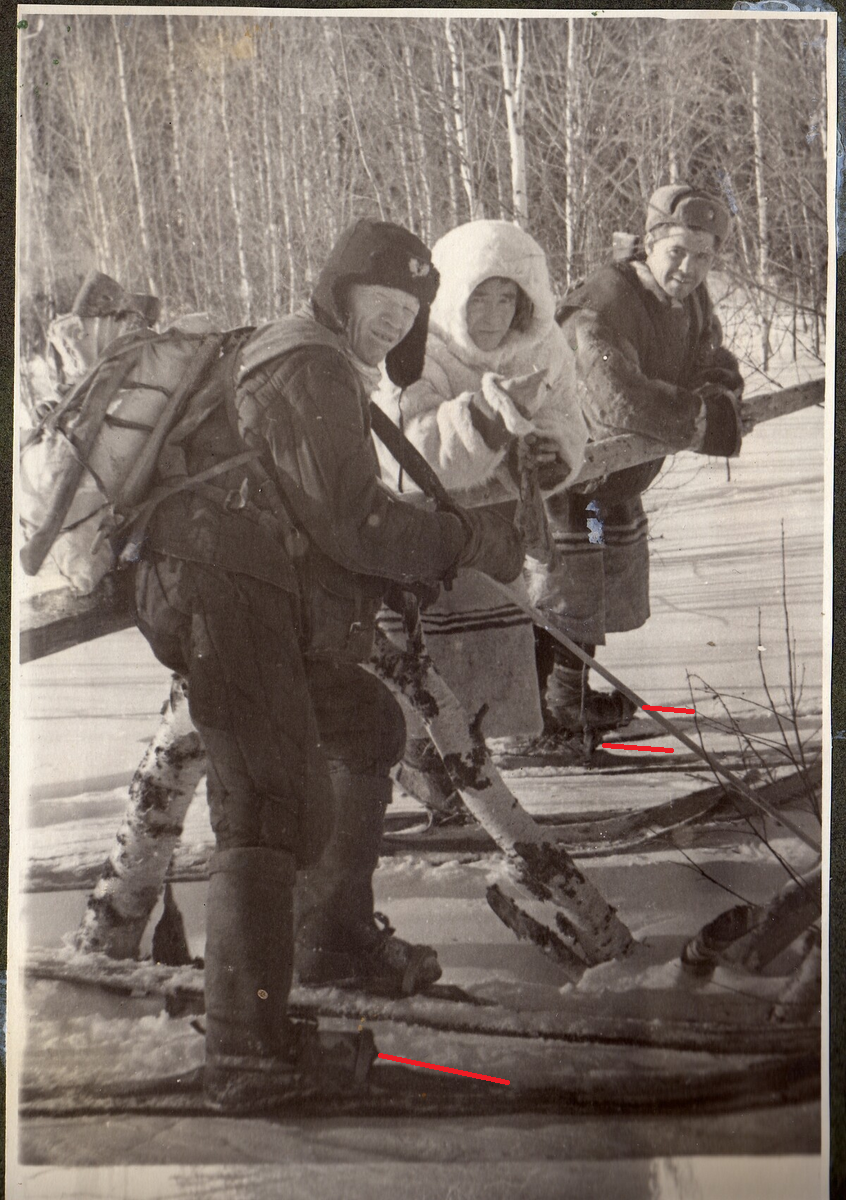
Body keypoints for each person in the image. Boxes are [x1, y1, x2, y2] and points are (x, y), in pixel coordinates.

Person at [132, 219, 524, 1110]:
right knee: (268, 800)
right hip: (222, 598)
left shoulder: (322, 366)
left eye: (409, 310)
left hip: (255, 592)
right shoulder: (304, 364)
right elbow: (355, 521)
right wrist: (473, 538)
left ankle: (331, 939)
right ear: (341, 291)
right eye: (383, 303)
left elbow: (323, 517)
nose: (395, 322)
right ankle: (247, 1048)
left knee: (364, 723)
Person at [372, 219, 588, 806]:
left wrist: (553, 456)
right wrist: (486, 423)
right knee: (428, 656)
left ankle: (472, 765)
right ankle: (421, 763)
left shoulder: (544, 346)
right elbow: (412, 448)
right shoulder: (419, 348)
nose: (491, 315)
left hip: (496, 536)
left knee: (488, 659)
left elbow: (570, 419)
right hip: (426, 535)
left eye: (507, 298)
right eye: (478, 297)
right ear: (452, 294)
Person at [529, 183, 745, 755]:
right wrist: (697, 418)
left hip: (608, 490)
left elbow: (712, 354)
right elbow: (611, 395)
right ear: (650, 242)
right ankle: (543, 711)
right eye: (678, 252)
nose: (690, 268)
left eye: (704, 256)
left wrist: (720, 393)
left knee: (591, 585)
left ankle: (568, 698)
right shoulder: (604, 300)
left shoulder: (690, 299)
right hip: (568, 480)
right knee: (561, 589)